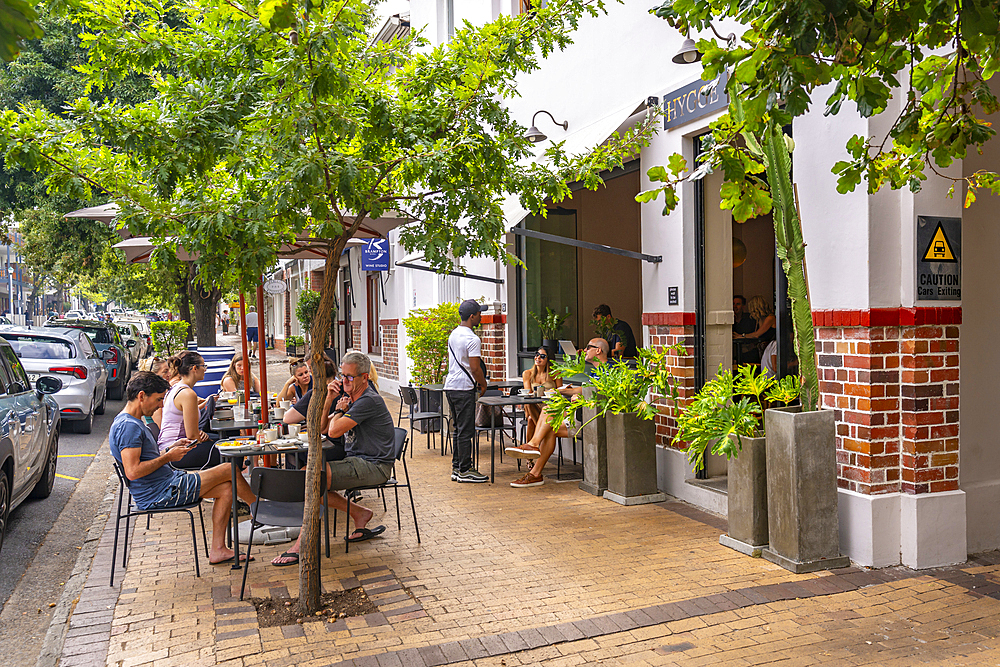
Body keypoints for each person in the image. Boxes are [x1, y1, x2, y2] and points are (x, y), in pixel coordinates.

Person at [109, 372, 255, 565]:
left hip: (165, 485)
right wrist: (168, 457)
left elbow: (142, 461)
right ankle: (261, 510)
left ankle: (218, 550)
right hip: (160, 493)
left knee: (227, 489)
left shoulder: (130, 422)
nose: (161, 405)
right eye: (159, 399)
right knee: (228, 469)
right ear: (141, 396)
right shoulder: (129, 427)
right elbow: (133, 471)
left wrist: (169, 449)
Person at [271, 352, 396, 566]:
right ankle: (359, 513)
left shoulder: (368, 400)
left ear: (364, 378)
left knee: (311, 479)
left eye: (349, 377)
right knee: (310, 478)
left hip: (374, 466)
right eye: (342, 375)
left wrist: (338, 409)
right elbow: (321, 428)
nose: (343, 381)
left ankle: (302, 544)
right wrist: (329, 399)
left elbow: (335, 431)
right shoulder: (352, 398)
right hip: (358, 460)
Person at [507, 338, 609, 488]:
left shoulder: (608, 371)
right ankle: (534, 469)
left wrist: (569, 393)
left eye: (588, 347)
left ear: (598, 350)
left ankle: (534, 458)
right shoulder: (595, 372)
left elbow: (598, 393)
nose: (584, 350)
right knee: (549, 419)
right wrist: (572, 393)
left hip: (589, 419)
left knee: (549, 416)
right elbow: (588, 391)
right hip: (581, 414)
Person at [443, 299, 489, 484]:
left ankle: (457, 467)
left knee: (458, 429)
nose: (481, 316)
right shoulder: (472, 338)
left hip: (451, 387)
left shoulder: (454, 334)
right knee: (466, 430)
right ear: (472, 316)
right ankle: (465, 469)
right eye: (479, 313)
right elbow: (475, 368)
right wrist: (483, 384)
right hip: (464, 389)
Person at [156, 351, 220, 468]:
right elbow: (193, 437)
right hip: (175, 451)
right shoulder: (187, 394)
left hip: (168, 446)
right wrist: (199, 435)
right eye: (203, 366)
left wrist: (200, 435)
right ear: (194, 368)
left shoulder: (176, 388)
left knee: (223, 441)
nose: (205, 369)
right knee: (230, 451)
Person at [521, 347, 562, 441]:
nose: (538, 358)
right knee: (528, 403)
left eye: (542, 356)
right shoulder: (527, 373)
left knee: (531, 420)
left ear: (549, 359)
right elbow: (528, 394)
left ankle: (529, 449)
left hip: (550, 408)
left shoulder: (555, 373)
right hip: (534, 407)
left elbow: (560, 393)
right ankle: (543, 435)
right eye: (537, 355)